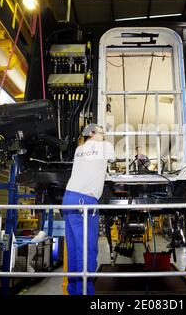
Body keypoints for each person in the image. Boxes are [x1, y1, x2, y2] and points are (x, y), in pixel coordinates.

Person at [62, 124, 115, 295]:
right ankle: (85, 292)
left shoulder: (79, 149)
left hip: (69, 198)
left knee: (74, 248)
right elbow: (113, 160)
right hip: (84, 200)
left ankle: (74, 290)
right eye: (101, 133)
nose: (104, 136)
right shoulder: (106, 146)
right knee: (87, 248)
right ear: (91, 133)